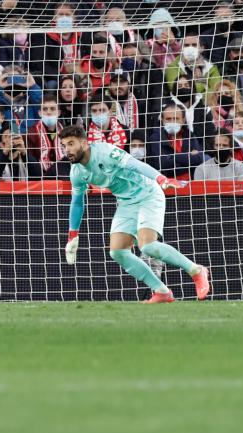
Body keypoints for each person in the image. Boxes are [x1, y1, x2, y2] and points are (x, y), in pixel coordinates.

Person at [59, 124, 211, 304]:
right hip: (126, 202)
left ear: (84, 143)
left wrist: (161, 178)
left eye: (71, 144)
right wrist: (72, 235)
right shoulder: (76, 172)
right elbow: (77, 202)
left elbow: (136, 164)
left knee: (147, 245)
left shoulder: (106, 152)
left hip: (148, 193)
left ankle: (196, 270)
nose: (67, 150)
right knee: (117, 252)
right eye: (64, 146)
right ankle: (162, 291)